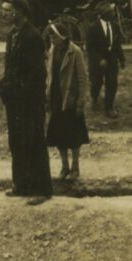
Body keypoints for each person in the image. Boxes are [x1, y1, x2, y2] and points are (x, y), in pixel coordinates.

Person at [0, 0, 52, 204]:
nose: (4, 14)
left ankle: (42, 189)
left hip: (29, 101)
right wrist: (4, 86)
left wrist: (22, 92)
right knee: (17, 142)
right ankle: (21, 184)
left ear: (19, 12)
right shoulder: (12, 34)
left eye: (7, 11)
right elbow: (9, 66)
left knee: (34, 141)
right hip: (14, 100)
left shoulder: (33, 37)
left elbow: (38, 75)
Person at [46, 22, 90, 180]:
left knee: (73, 137)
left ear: (62, 36)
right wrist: (47, 95)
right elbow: (50, 74)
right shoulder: (53, 50)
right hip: (57, 99)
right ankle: (64, 167)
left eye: (54, 36)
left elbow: (82, 78)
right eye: (50, 36)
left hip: (69, 100)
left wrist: (80, 102)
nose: (51, 39)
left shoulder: (75, 52)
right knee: (60, 136)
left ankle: (75, 167)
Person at [85, 1, 125, 118]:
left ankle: (109, 107)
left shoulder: (114, 26)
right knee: (97, 82)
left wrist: (121, 59)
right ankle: (95, 97)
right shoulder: (93, 28)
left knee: (112, 83)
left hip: (111, 59)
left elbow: (117, 45)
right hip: (97, 61)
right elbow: (90, 48)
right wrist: (99, 59)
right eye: (110, 12)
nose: (113, 13)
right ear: (102, 14)